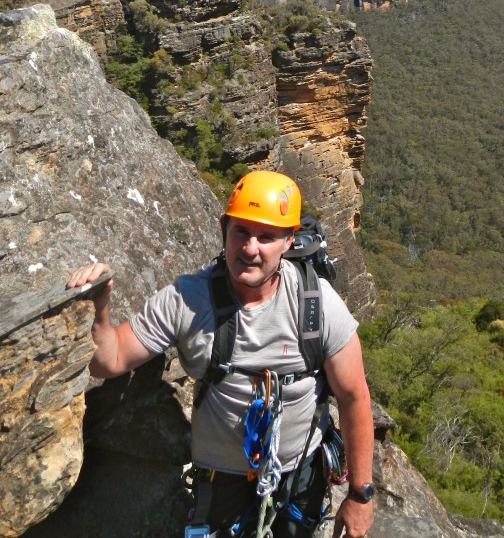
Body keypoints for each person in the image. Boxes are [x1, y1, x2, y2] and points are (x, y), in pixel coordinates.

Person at [68, 170, 374, 538]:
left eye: (267, 237)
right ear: (223, 228)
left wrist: (360, 494)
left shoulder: (315, 303)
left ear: (288, 241)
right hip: (222, 480)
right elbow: (109, 360)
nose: (250, 248)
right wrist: (98, 308)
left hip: (300, 474)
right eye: (241, 231)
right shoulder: (187, 300)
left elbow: (354, 396)